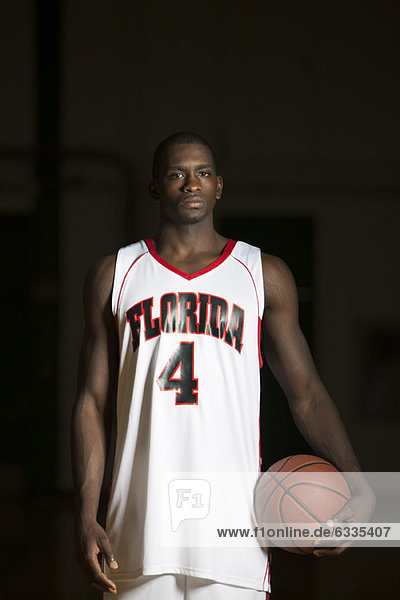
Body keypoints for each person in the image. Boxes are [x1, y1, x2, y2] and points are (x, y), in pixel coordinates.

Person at [71, 132, 374, 599]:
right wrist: (85, 515)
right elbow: (91, 401)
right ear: (155, 188)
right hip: (135, 533)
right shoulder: (116, 274)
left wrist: (359, 482)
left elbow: (307, 395)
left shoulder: (261, 274)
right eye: (176, 174)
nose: (191, 184)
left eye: (203, 173)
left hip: (234, 540)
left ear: (218, 187)